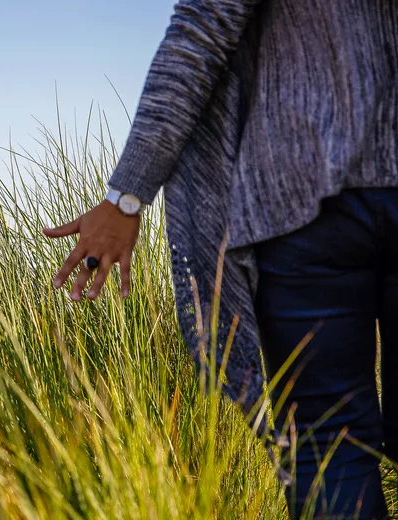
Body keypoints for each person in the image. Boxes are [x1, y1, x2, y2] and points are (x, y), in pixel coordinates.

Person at [43, 1, 398, 518]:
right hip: (309, 211)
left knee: (329, 449)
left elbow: (201, 34)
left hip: (302, 198)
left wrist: (127, 197)